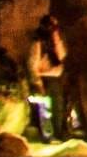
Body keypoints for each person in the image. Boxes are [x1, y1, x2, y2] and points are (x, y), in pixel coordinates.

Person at [25, 12, 73, 141]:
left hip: (56, 78)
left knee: (58, 107)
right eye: (52, 26)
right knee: (44, 108)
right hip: (44, 78)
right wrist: (37, 82)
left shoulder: (55, 42)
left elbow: (61, 56)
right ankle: (47, 135)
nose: (54, 29)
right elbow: (32, 63)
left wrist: (56, 39)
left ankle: (58, 133)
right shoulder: (38, 43)